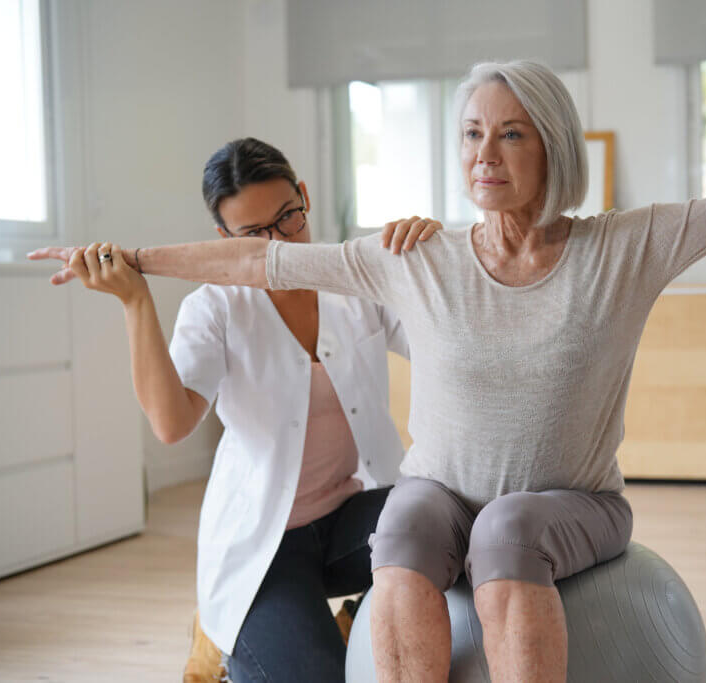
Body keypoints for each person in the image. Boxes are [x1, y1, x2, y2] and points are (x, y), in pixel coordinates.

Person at [32, 62, 706, 683]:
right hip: (366, 515)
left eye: (510, 132)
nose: (486, 151)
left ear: (552, 147)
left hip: (558, 501)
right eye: (470, 133)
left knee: (498, 525)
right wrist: (129, 265)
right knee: (412, 513)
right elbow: (250, 265)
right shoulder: (413, 256)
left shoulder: (627, 244)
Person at [31, 138, 441, 682]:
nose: (280, 243)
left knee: (445, 520)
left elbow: (445, 346)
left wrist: (434, 262)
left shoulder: (352, 283)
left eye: (288, 218)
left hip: (353, 518)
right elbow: (171, 423)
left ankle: (351, 620)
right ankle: (220, 637)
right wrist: (135, 301)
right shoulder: (214, 309)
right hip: (265, 547)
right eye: (254, 234)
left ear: (305, 197)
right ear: (223, 239)